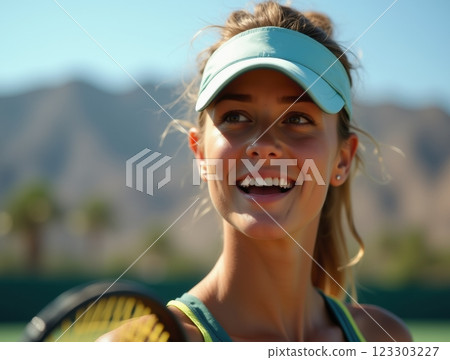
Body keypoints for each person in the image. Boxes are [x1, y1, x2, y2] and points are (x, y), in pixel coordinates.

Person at [100, 0, 412, 342]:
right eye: (235, 116)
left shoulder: (385, 338)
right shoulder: (147, 345)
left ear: (342, 160)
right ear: (200, 153)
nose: (263, 145)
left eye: (298, 119)